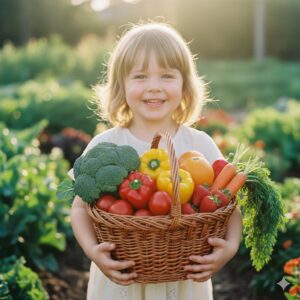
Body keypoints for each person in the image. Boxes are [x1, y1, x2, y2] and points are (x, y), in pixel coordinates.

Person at [69, 21, 242, 300]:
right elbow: (79, 209)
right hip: (121, 278)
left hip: (184, 278)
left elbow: (230, 207)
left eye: (166, 76)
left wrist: (230, 247)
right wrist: (93, 252)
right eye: (139, 77)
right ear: (120, 85)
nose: (154, 87)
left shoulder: (200, 144)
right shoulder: (106, 144)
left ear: (184, 84)